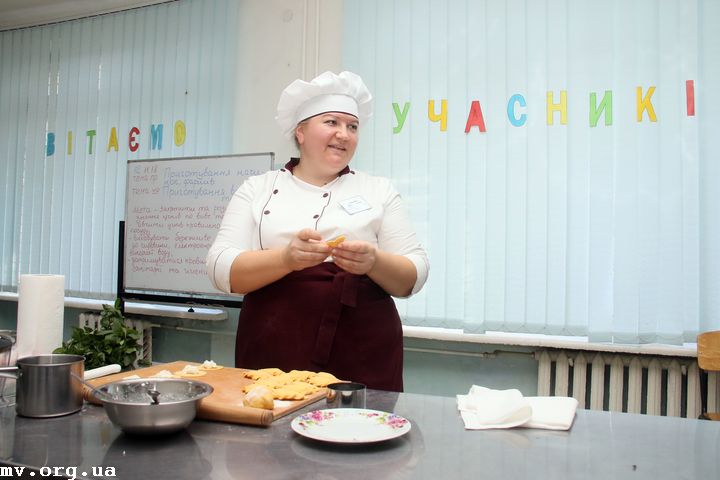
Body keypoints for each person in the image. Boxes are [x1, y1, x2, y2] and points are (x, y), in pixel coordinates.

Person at [206, 71, 429, 391]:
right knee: (276, 418)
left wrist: (374, 262)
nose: (344, 134)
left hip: (364, 345)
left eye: (352, 126)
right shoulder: (257, 188)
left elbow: (414, 275)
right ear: (300, 131)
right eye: (332, 122)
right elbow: (220, 268)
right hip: (275, 343)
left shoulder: (378, 190)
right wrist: (286, 259)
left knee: (361, 420)